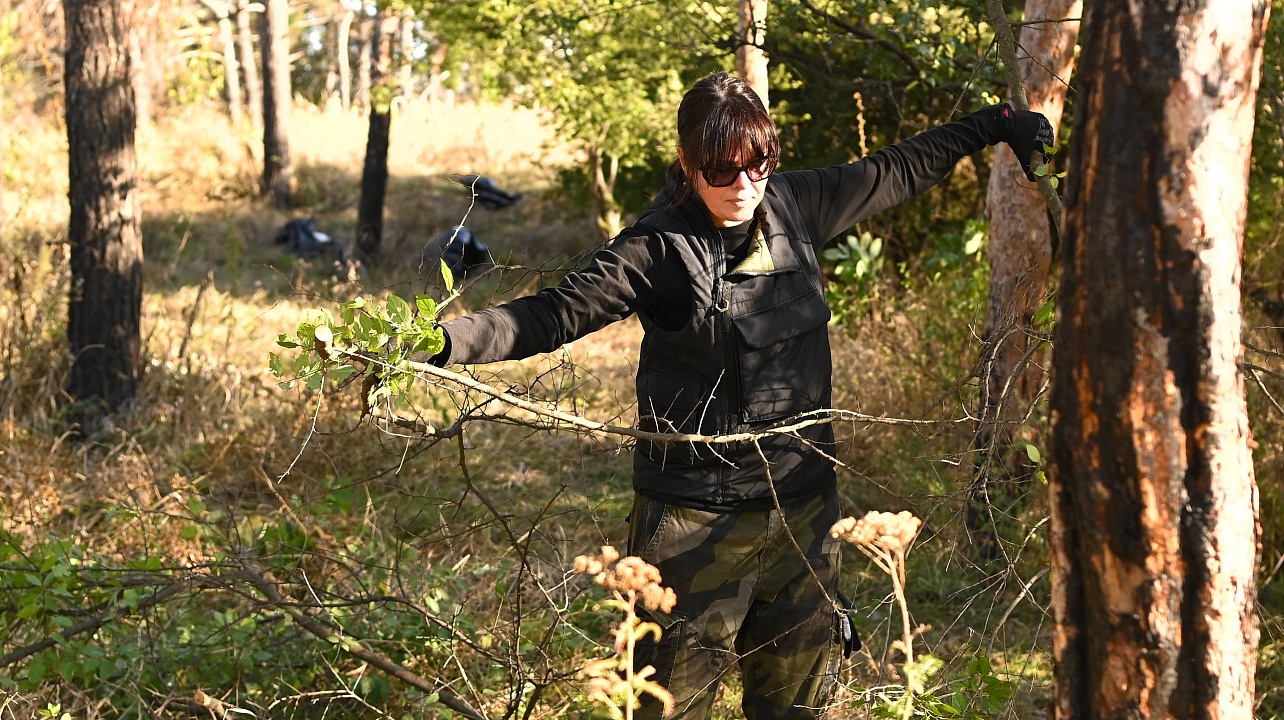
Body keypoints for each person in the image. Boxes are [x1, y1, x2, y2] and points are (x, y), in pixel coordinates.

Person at [426, 72, 1052, 720]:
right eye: (722, 171)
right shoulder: (657, 247)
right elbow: (550, 315)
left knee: (798, 709)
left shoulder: (795, 205)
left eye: (758, 166)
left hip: (804, 515)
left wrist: (996, 124)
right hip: (694, 524)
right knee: (670, 707)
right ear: (688, 165)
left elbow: (893, 171)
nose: (744, 186)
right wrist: (438, 341)